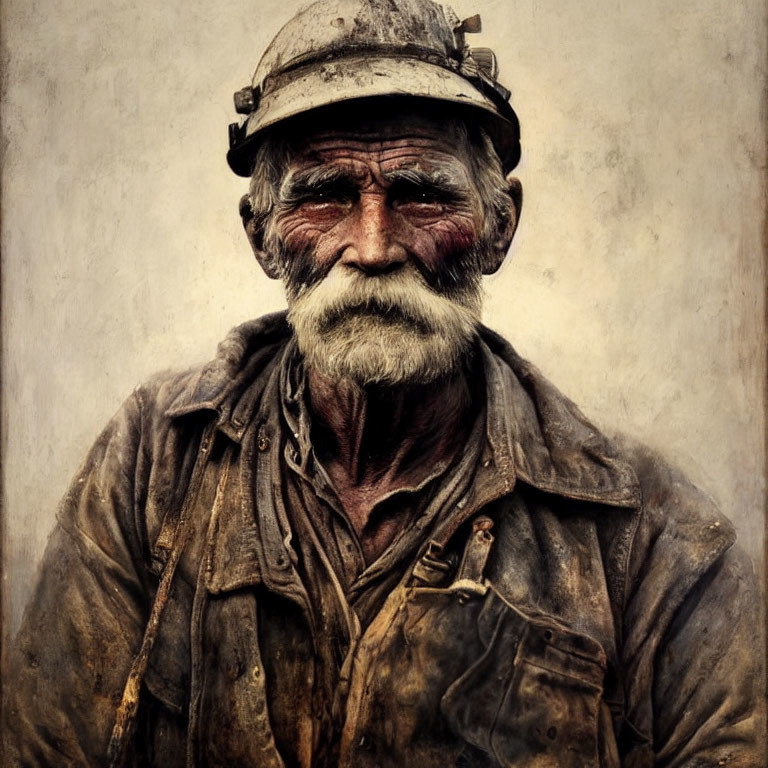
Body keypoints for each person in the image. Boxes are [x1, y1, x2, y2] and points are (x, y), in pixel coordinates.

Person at [5, 0, 764, 766]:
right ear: (262, 236)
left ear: (500, 225)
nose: (372, 247)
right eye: (325, 194)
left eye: (421, 194)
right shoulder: (153, 463)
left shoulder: (655, 543)